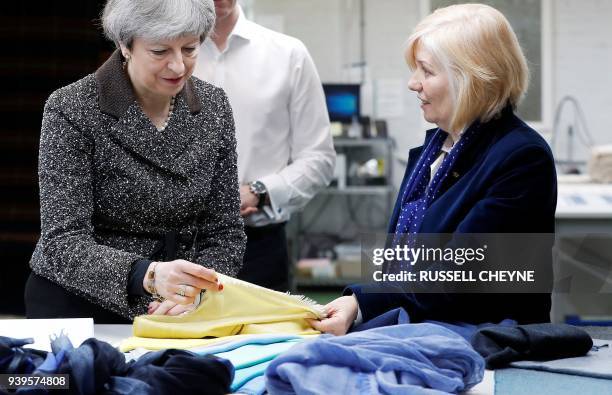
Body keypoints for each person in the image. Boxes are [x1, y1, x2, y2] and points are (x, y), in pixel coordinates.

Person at [310, 3, 557, 335]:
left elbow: (460, 275)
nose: (413, 83)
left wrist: (363, 302)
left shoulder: (521, 157)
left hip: (485, 345)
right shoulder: (438, 148)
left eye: (426, 71)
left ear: (470, 78)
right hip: (421, 329)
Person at [25, 0, 246, 323]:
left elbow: (224, 230)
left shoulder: (214, 106)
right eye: (159, 52)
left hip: (178, 309)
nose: (178, 67)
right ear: (124, 46)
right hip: (80, 305)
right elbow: (63, 242)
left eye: (189, 49)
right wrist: (149, 275)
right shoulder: (71, 108)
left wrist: (198, 292)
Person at [193, 1, 335, 291]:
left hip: (258, 247)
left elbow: (319, 157)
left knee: (266, 336)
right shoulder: (163, 57)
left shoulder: (287, 54)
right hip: (174, 247)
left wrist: (259, 192)